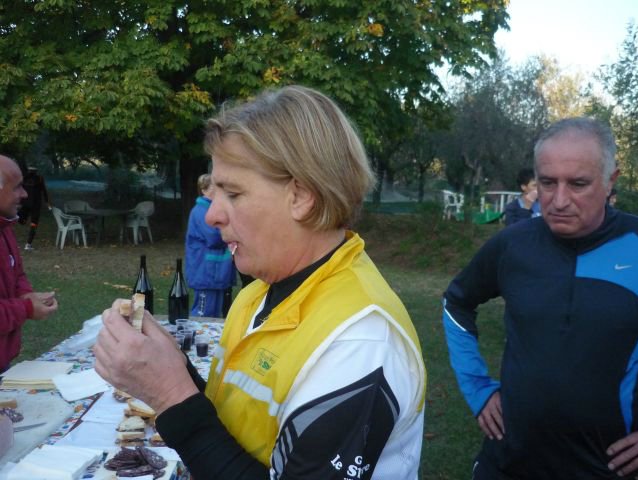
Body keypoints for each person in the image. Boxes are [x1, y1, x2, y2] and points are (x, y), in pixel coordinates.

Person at [94, 85, 426, 480]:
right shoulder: (257, 294)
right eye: (215, 192)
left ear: (301, 196)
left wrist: (170, 395)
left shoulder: (360, 343)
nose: (212, 215)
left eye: (233, 193)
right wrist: (169, 367)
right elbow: (234, 421)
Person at [442, 117, 638, 479]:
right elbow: (456, 302)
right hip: (507, 463)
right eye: (547, 183)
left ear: (611, 180)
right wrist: (477, 387)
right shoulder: (512, 245)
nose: (559, 201)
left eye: (578, 184)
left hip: (602, 467)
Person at [0, 156, 58, 372]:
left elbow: (16, 273)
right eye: (16, 187)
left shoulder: (5, 227)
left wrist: (27, 295)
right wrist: (26, 307)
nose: (24, 194)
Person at [185, 173, 236, 318]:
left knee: (214, 314)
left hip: (216, 271)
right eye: (215, 187)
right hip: (205, 272)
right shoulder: (200, 211)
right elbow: (213, 237)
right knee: (203, 314)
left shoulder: (212, 209)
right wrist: (233, 232)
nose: (219, 191)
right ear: (204, 190)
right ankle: (196, 333)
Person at [18, 166, 50, 251]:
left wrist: (18, 202)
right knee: (34, 223)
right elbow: (44, 191)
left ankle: (22, 221)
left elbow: (18, 190)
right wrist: (47, 202)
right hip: (35, 205)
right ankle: (28, 244)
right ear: (36, 171)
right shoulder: (39, 179)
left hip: (26, 203)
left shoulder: (23, 179)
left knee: (20, 219)